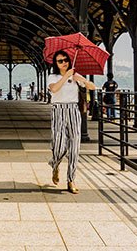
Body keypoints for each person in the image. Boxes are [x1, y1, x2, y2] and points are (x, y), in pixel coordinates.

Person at [47, 51, 96, 194]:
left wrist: (82, 80)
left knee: (75, 146)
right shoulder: (53, 77)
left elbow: (92, 87)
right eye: (60, 61)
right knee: (59, 145)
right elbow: (54, 89)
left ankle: (71, 179)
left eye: (65, 60)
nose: (63, 63)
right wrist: (66, 76)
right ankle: (55, 164)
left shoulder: (75, 77)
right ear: (56, 64)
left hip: (73, 110)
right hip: (58, 110)